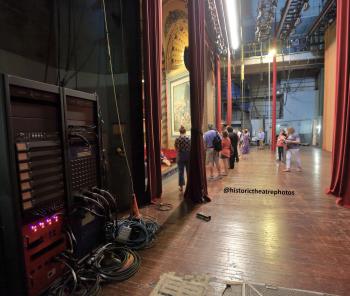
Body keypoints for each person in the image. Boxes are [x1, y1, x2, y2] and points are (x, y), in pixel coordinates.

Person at [174, 126, 191, 192]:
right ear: (185, 131)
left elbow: (176, 147)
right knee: (188, 171)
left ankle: (181, 187)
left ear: (180, 132)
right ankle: (189, 185)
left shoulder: (177, 138)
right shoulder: (188, 138)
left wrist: (178, 154)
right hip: (188, 155)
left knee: (181, 172)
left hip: (181, 155)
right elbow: (191, 146)